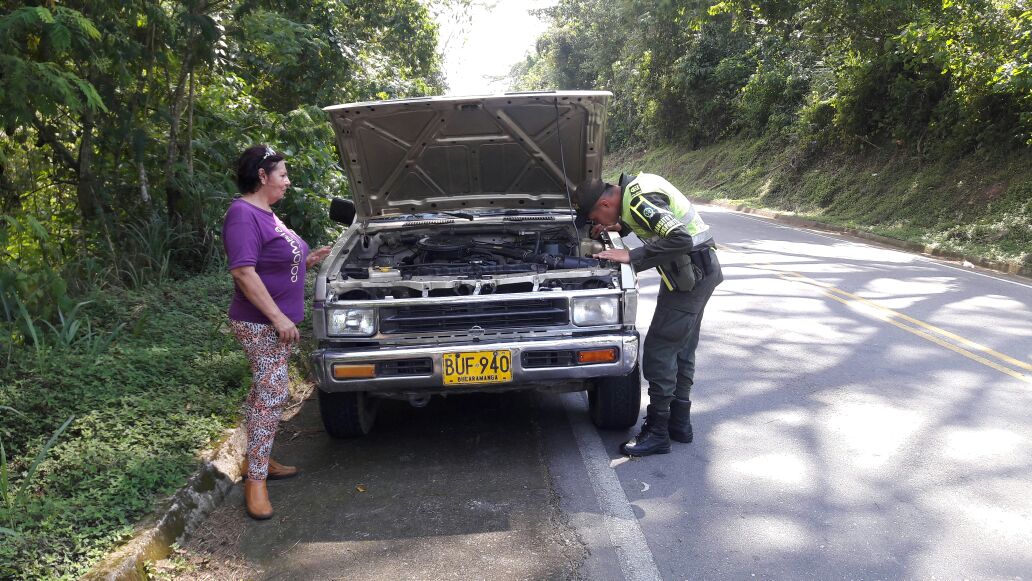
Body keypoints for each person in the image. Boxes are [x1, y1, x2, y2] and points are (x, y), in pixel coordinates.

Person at [575, 173, 723, 457]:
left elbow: (678, 237)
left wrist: (631, 256)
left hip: (691, 278)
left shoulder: (640, 199)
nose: (597, 224)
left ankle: (657, 433)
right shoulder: (636, 191)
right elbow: (656, 220)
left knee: (659, 350)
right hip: (699, 273)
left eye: (595, 217)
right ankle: (679, 424)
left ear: (605, 204)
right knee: (682, 349)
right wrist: (622, 227)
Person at [223, 144, 331, 519]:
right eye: (282, 175)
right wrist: (278, 318)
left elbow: (275, 259)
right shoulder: (242, 214)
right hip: (260, 324)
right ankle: (255, 482)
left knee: (262, 392)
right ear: (262, 176)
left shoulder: (267, 214)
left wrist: (309, 258)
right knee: (273, 393)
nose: (287, 182)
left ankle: (261, 459)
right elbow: (243, 271)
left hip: (274, 324)